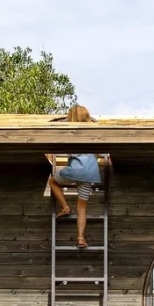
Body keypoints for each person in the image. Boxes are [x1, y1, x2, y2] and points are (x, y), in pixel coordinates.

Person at [47, 104, 105, 248]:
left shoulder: (70, 132)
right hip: (90, 174)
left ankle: (65, 207)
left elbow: (55, 126)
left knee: (53, 181)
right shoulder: (92, 133)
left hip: (75, 170)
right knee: (82, 207)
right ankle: (80, 238)